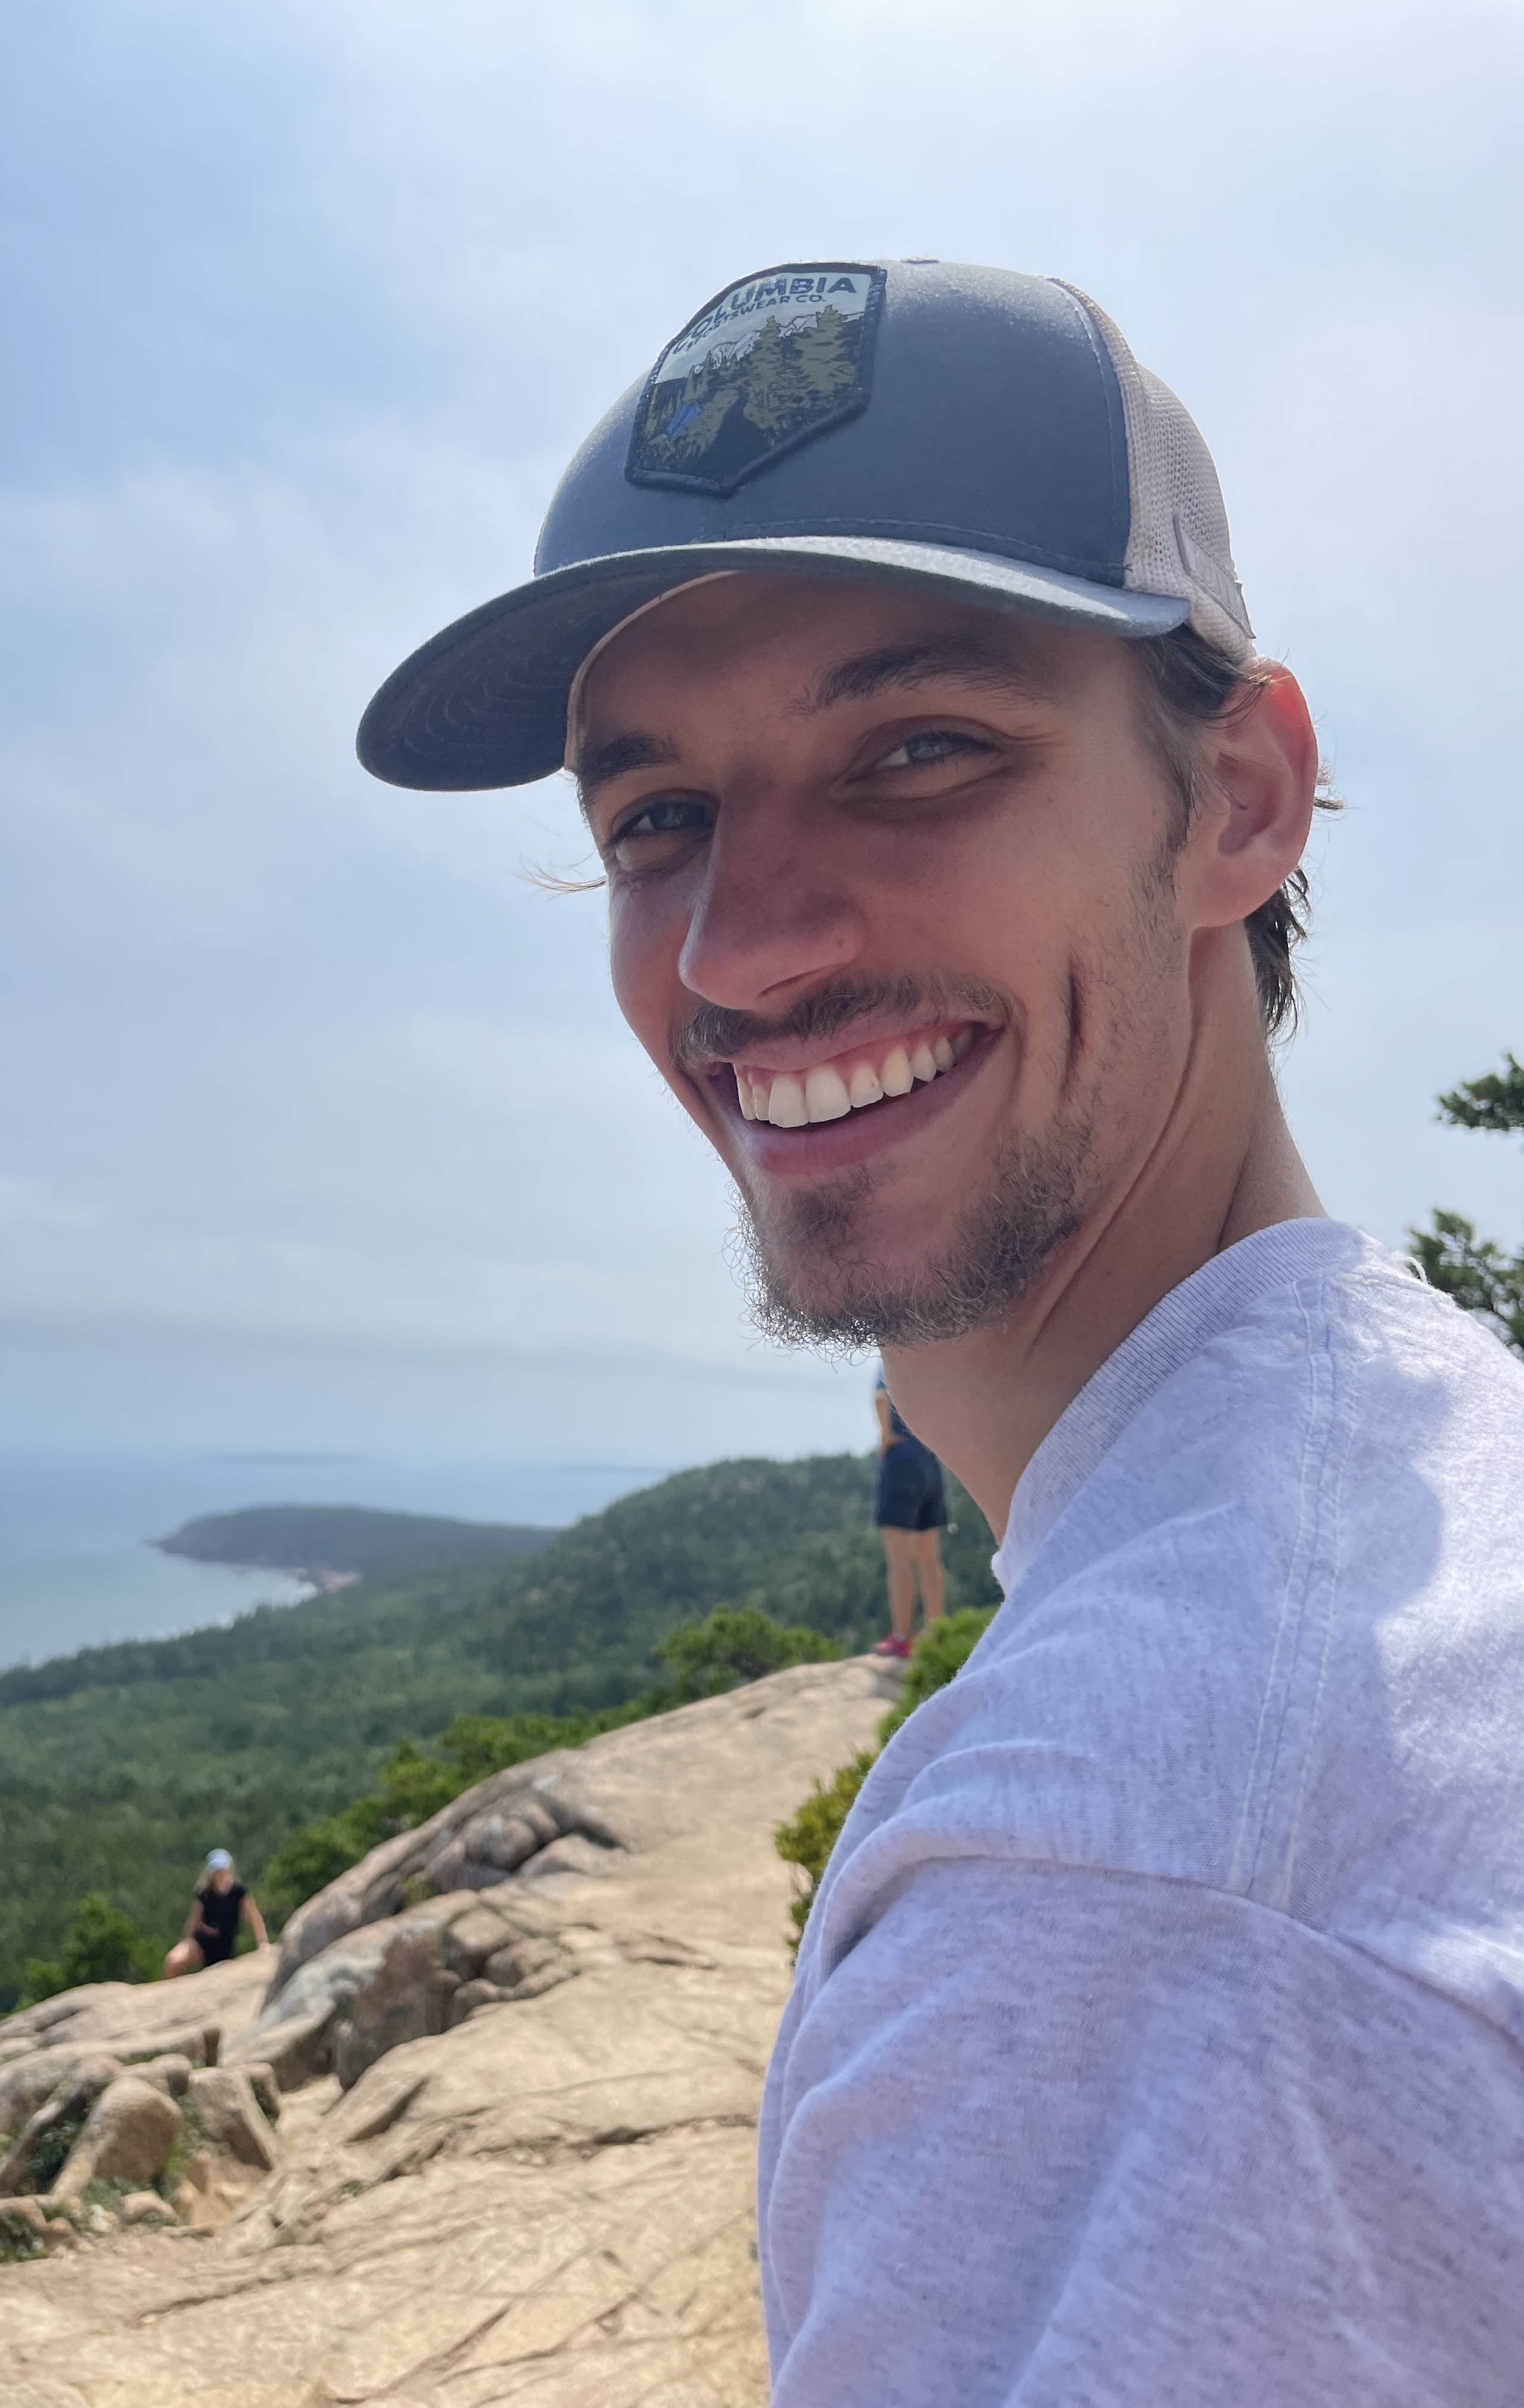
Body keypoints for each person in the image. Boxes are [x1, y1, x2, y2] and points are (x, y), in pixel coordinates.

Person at [355, 260, 1524, 2401]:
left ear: (1238, 799)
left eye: (916, 748)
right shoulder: (1421, 1472)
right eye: (655, 818)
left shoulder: (1134, 1900)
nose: (738, 949)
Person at [872, 1369, 946, 1657]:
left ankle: (902, 1637)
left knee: (898, 1557)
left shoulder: (889, 1360)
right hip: (930, 1463)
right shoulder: (929, 1363)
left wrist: (885, 1437)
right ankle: (936, 1633)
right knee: (929, 1557)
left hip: (900, 1463)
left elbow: (881, 1398)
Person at [162, 1848, 268, 1978]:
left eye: (222, 1869)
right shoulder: (204, 1894)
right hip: (201, 1944)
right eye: (216, 1869)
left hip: (224, 1946)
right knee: (173, 1961)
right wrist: (184, 1941)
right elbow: (193, 1921)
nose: (219, 1873)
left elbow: (254, 1916)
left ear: (229, 1868)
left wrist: (262, 1942)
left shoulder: (238, 1893)